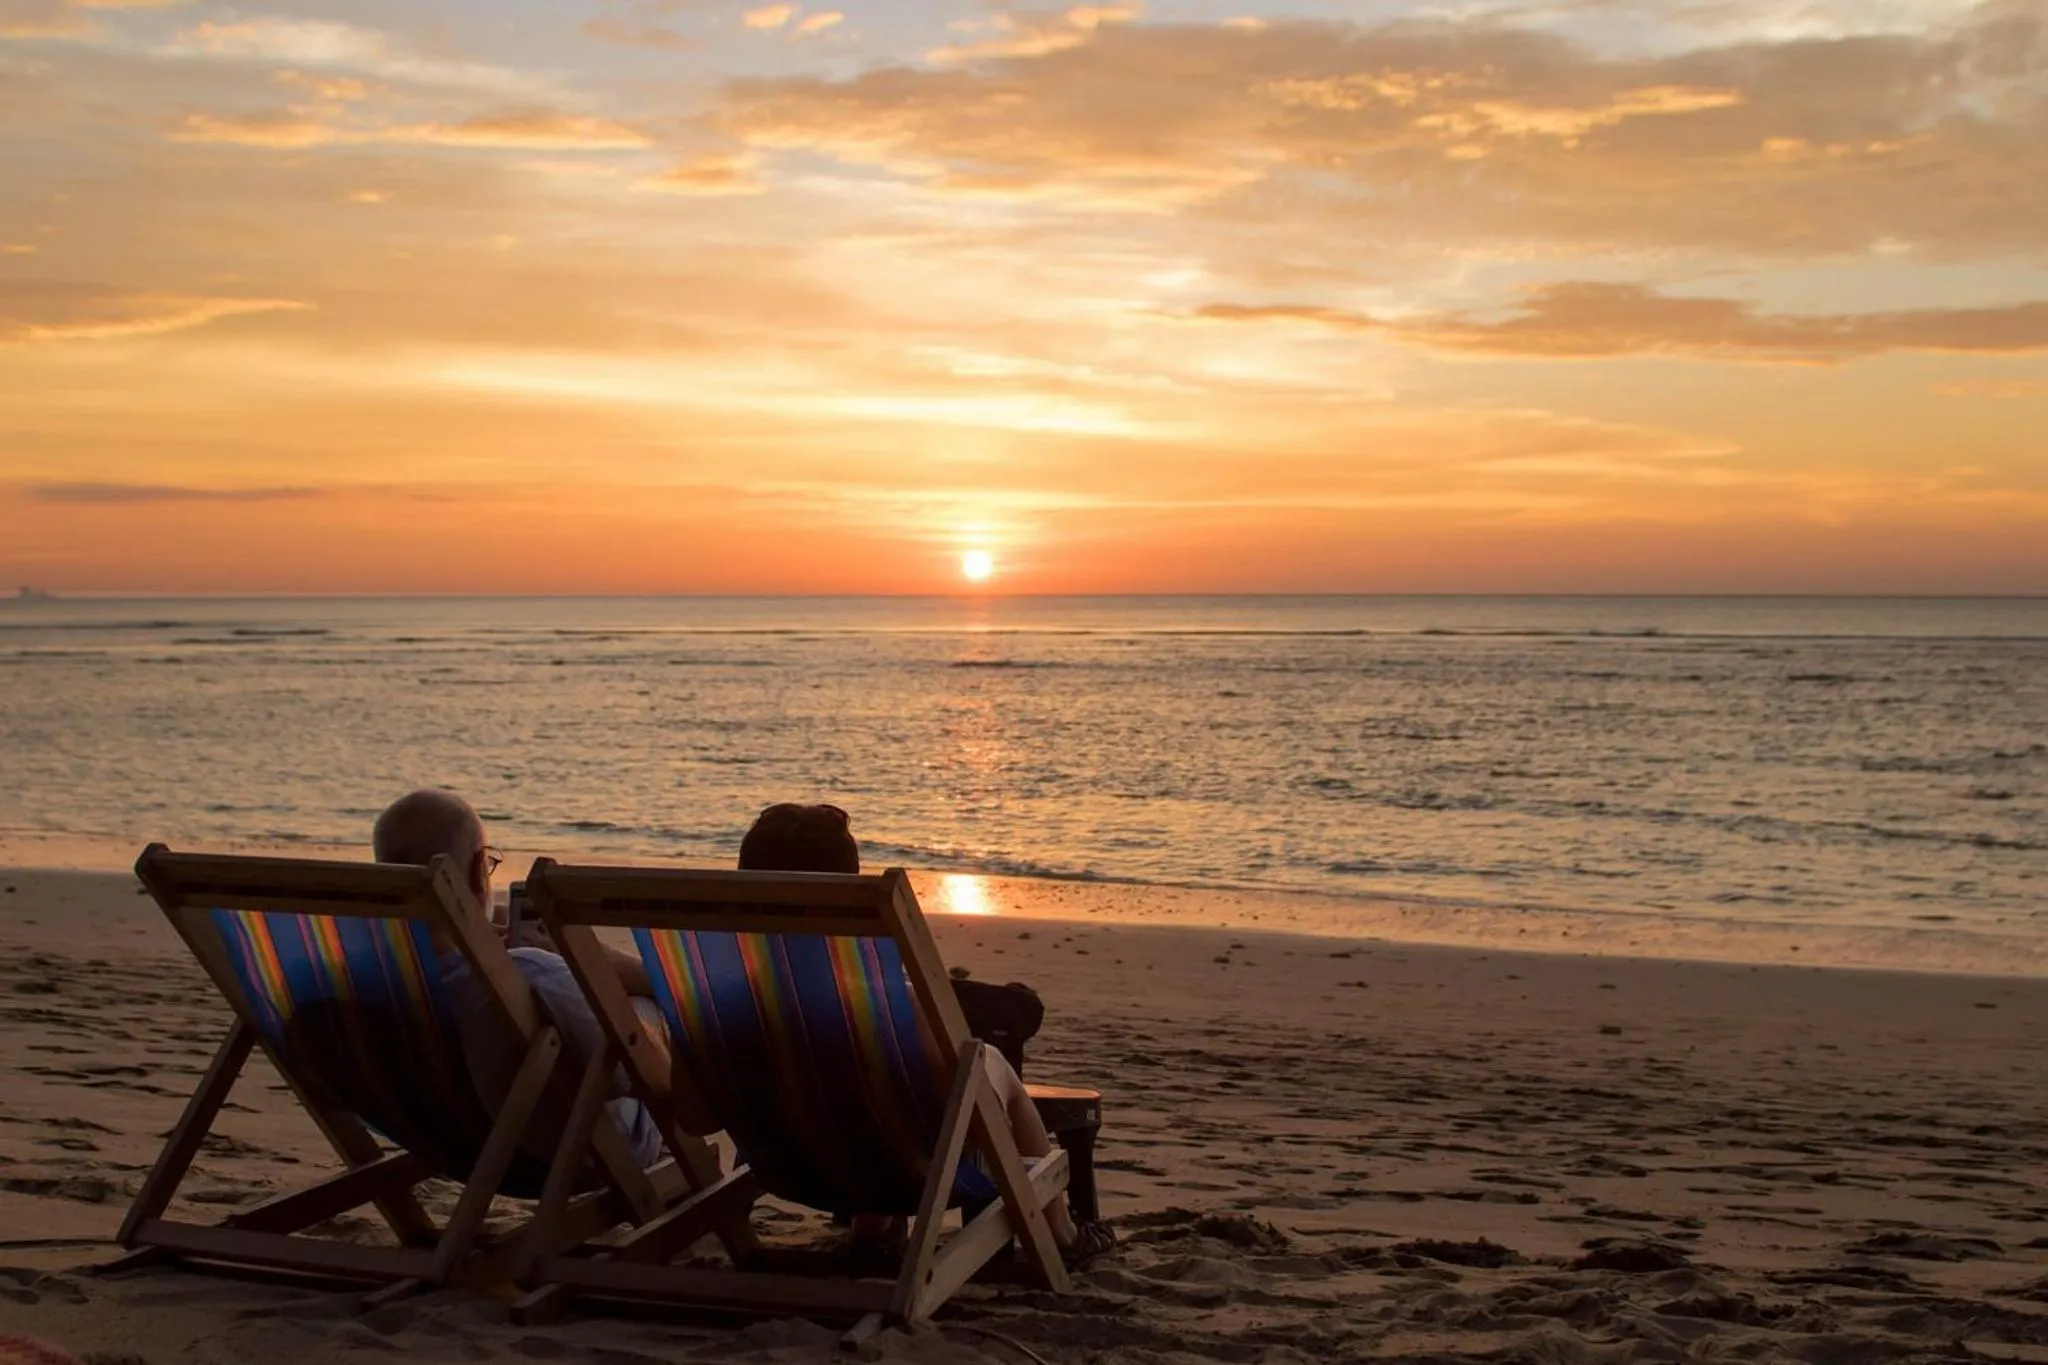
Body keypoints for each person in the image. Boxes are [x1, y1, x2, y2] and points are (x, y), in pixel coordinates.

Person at [737, 802, 1114, 1263]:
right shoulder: (876, 1000)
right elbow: (949, 1097)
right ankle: (1063, 1235)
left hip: (788, 1172)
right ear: (848, 890)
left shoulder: (717, 999)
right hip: (906, 1178)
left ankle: (873, 1226)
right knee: (986, 1064)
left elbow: (694, 1118)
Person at [371, 788, 666, 1168]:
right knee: (640, 1008)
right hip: (567, 1152)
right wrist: (591, 965)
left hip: (442, 1141)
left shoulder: (358, 976)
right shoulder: (532, 973)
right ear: (480, 872)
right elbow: (628, 1073)